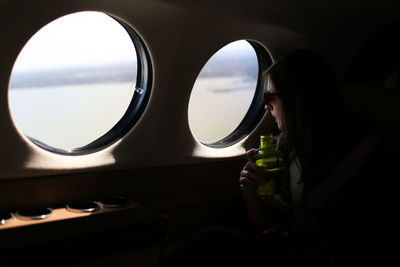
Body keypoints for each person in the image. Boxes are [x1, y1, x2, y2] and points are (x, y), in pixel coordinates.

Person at [161, 50, 392, 266]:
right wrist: (255, 191)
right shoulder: (286, 146)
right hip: (290, 245)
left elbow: (323, 229)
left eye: (270, 96)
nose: (265, 106)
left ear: (297, 100)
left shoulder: (363, 156)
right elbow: (266, 225)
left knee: (213, 240)